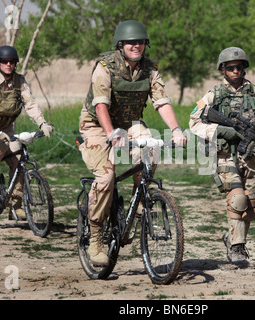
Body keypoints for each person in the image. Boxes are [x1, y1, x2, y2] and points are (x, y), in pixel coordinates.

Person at [78, 20, 186, 266]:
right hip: (97, 124)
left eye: (140, 42)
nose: (136, 46)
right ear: (120, 45)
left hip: (130, 122)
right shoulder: (105, 68)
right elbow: (101, 106)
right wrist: (112, 134)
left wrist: (176, 129)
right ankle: (95, 238)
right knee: (106, 177)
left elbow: (162, 102)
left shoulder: (150, 70)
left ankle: (141, 198)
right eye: (130, 43)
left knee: (153, 146)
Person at [189, 47, 255, 263]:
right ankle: (237, 248)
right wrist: (220, 131)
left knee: (251, 208)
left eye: (239, 67)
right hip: (225, 154)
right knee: (237, 200)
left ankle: (232, 239)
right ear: (222, 69)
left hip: (250, 155)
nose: (236, 71)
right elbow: (194, 122)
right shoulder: (214, 94)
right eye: (231, 68)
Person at [0, 45, 54, 220]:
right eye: (4, 61)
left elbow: (30, 104)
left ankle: (16, 205)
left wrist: (42, 123)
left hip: (6, 128)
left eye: (12, 62)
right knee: (0, 143)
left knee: (19, 161)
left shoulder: (20, 81)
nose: (8, 64)